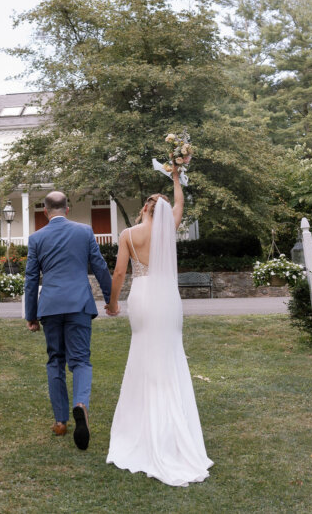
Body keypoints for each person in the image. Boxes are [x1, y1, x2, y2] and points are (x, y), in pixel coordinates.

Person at [105, 166, 213, 486]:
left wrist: (112, 304)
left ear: (144, 209)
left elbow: (119, 275)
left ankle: (144, 429)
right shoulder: (169, 230)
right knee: (168, 356)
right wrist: (176, 177)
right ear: (164, 212)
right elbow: (180, 206)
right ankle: (171, 429)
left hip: (142, 297)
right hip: (167, 300)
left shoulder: (128, 235)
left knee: (143, 356)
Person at [24, 191, 114, 450]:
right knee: (81, 360)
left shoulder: (36, 238)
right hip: (79, 304)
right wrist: (110, 299)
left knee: (56, 361)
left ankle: (61, 422)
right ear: (67, 208)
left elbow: (31, 280)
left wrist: (31, 315)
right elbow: (99, 266)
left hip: (50, 306)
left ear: (45, 211)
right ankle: (81, 404)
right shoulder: (84, 232)